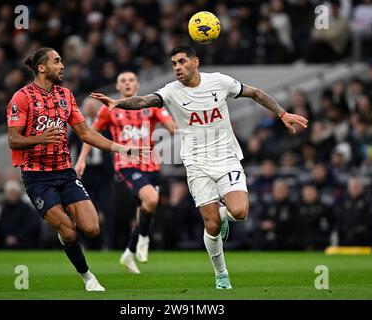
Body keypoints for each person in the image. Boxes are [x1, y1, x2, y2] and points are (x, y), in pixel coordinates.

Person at [89, 45, 308, 289]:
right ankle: (221, 275)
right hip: (196, 164)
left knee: (240, 212)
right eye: (173, 64)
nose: (177, 68)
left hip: (226, 158)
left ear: (195, 62)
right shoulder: (171, 91)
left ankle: (224, 215)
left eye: (182, 62)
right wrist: (118, 104)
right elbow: (144, 100)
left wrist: (282, 113)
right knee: (211, 225)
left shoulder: (219, 82)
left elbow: (254, 92)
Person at [6, 47, 144, 292]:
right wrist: (40, 138)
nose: (62, 66)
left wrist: (122, 149)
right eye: (57, 61)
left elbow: (86, 133)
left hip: (65, 173)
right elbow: (14, 140)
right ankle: (88, 278)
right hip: (37, 177)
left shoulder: (66, 95)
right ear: (41, 67)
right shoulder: (22, 97)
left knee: (92, 228)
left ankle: (64, 229)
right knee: (70, 234)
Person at [75, 71, 176, 274]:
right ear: (118, 87)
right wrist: (81, 159)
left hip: (152, 166)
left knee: (146, 209)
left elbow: (172, 127)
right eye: (123, 81)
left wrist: (186, 128)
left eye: (131, 80)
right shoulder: (109, 110)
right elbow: (90, 135)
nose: (127, 83)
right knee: (152, 200)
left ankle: (129, 254)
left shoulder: (151, 106)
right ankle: (144, 239)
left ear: (137, 85)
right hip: (127, 164)